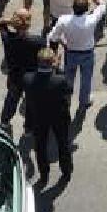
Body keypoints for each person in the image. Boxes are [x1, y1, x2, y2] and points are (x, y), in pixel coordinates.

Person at [48, 0, 107, 111]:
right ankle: (84, 100)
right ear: (86, 9)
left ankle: (67, 99)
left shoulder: (64, 20)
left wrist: (63, 43)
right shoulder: (92, 19)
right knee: (86, 78)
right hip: (87, 54)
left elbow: (53, 37)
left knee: (69, 77)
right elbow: (102, 4)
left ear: (73, 8)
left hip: (71, 53)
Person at [23, 46, 73, 185]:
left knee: (40, 146)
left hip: (39, 118)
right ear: (53, 62)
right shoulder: (60, 80)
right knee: (63, 144)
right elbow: (69, 89)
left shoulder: (28, 79)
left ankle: (44, 174)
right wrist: (59, 70)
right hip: (59, 117)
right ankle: (66, 171)